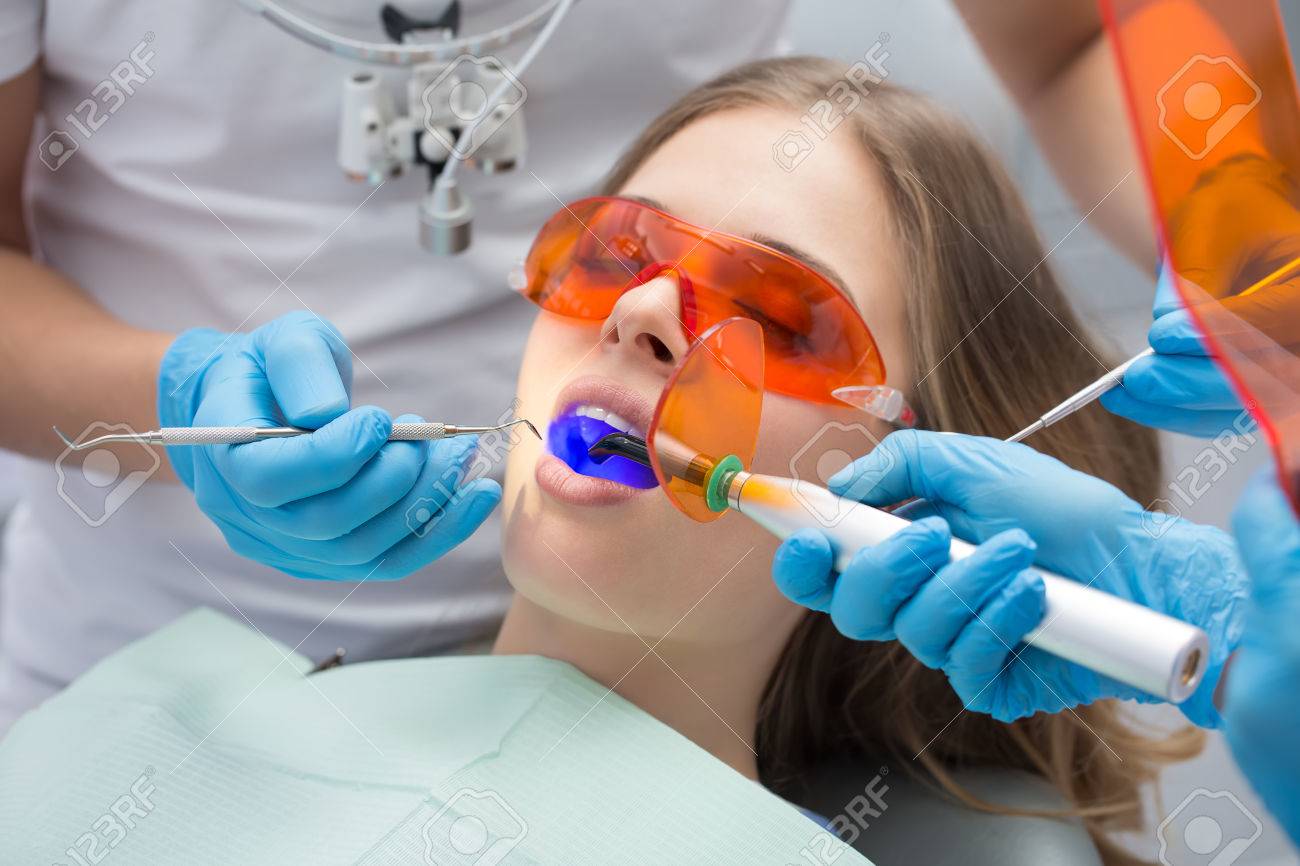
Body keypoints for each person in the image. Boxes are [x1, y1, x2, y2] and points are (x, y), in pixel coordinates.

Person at [6, 57, 1211, 864]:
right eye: (614, 250)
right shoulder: (164, 712)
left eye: (780, 315)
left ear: (920, 467)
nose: (640, 310)